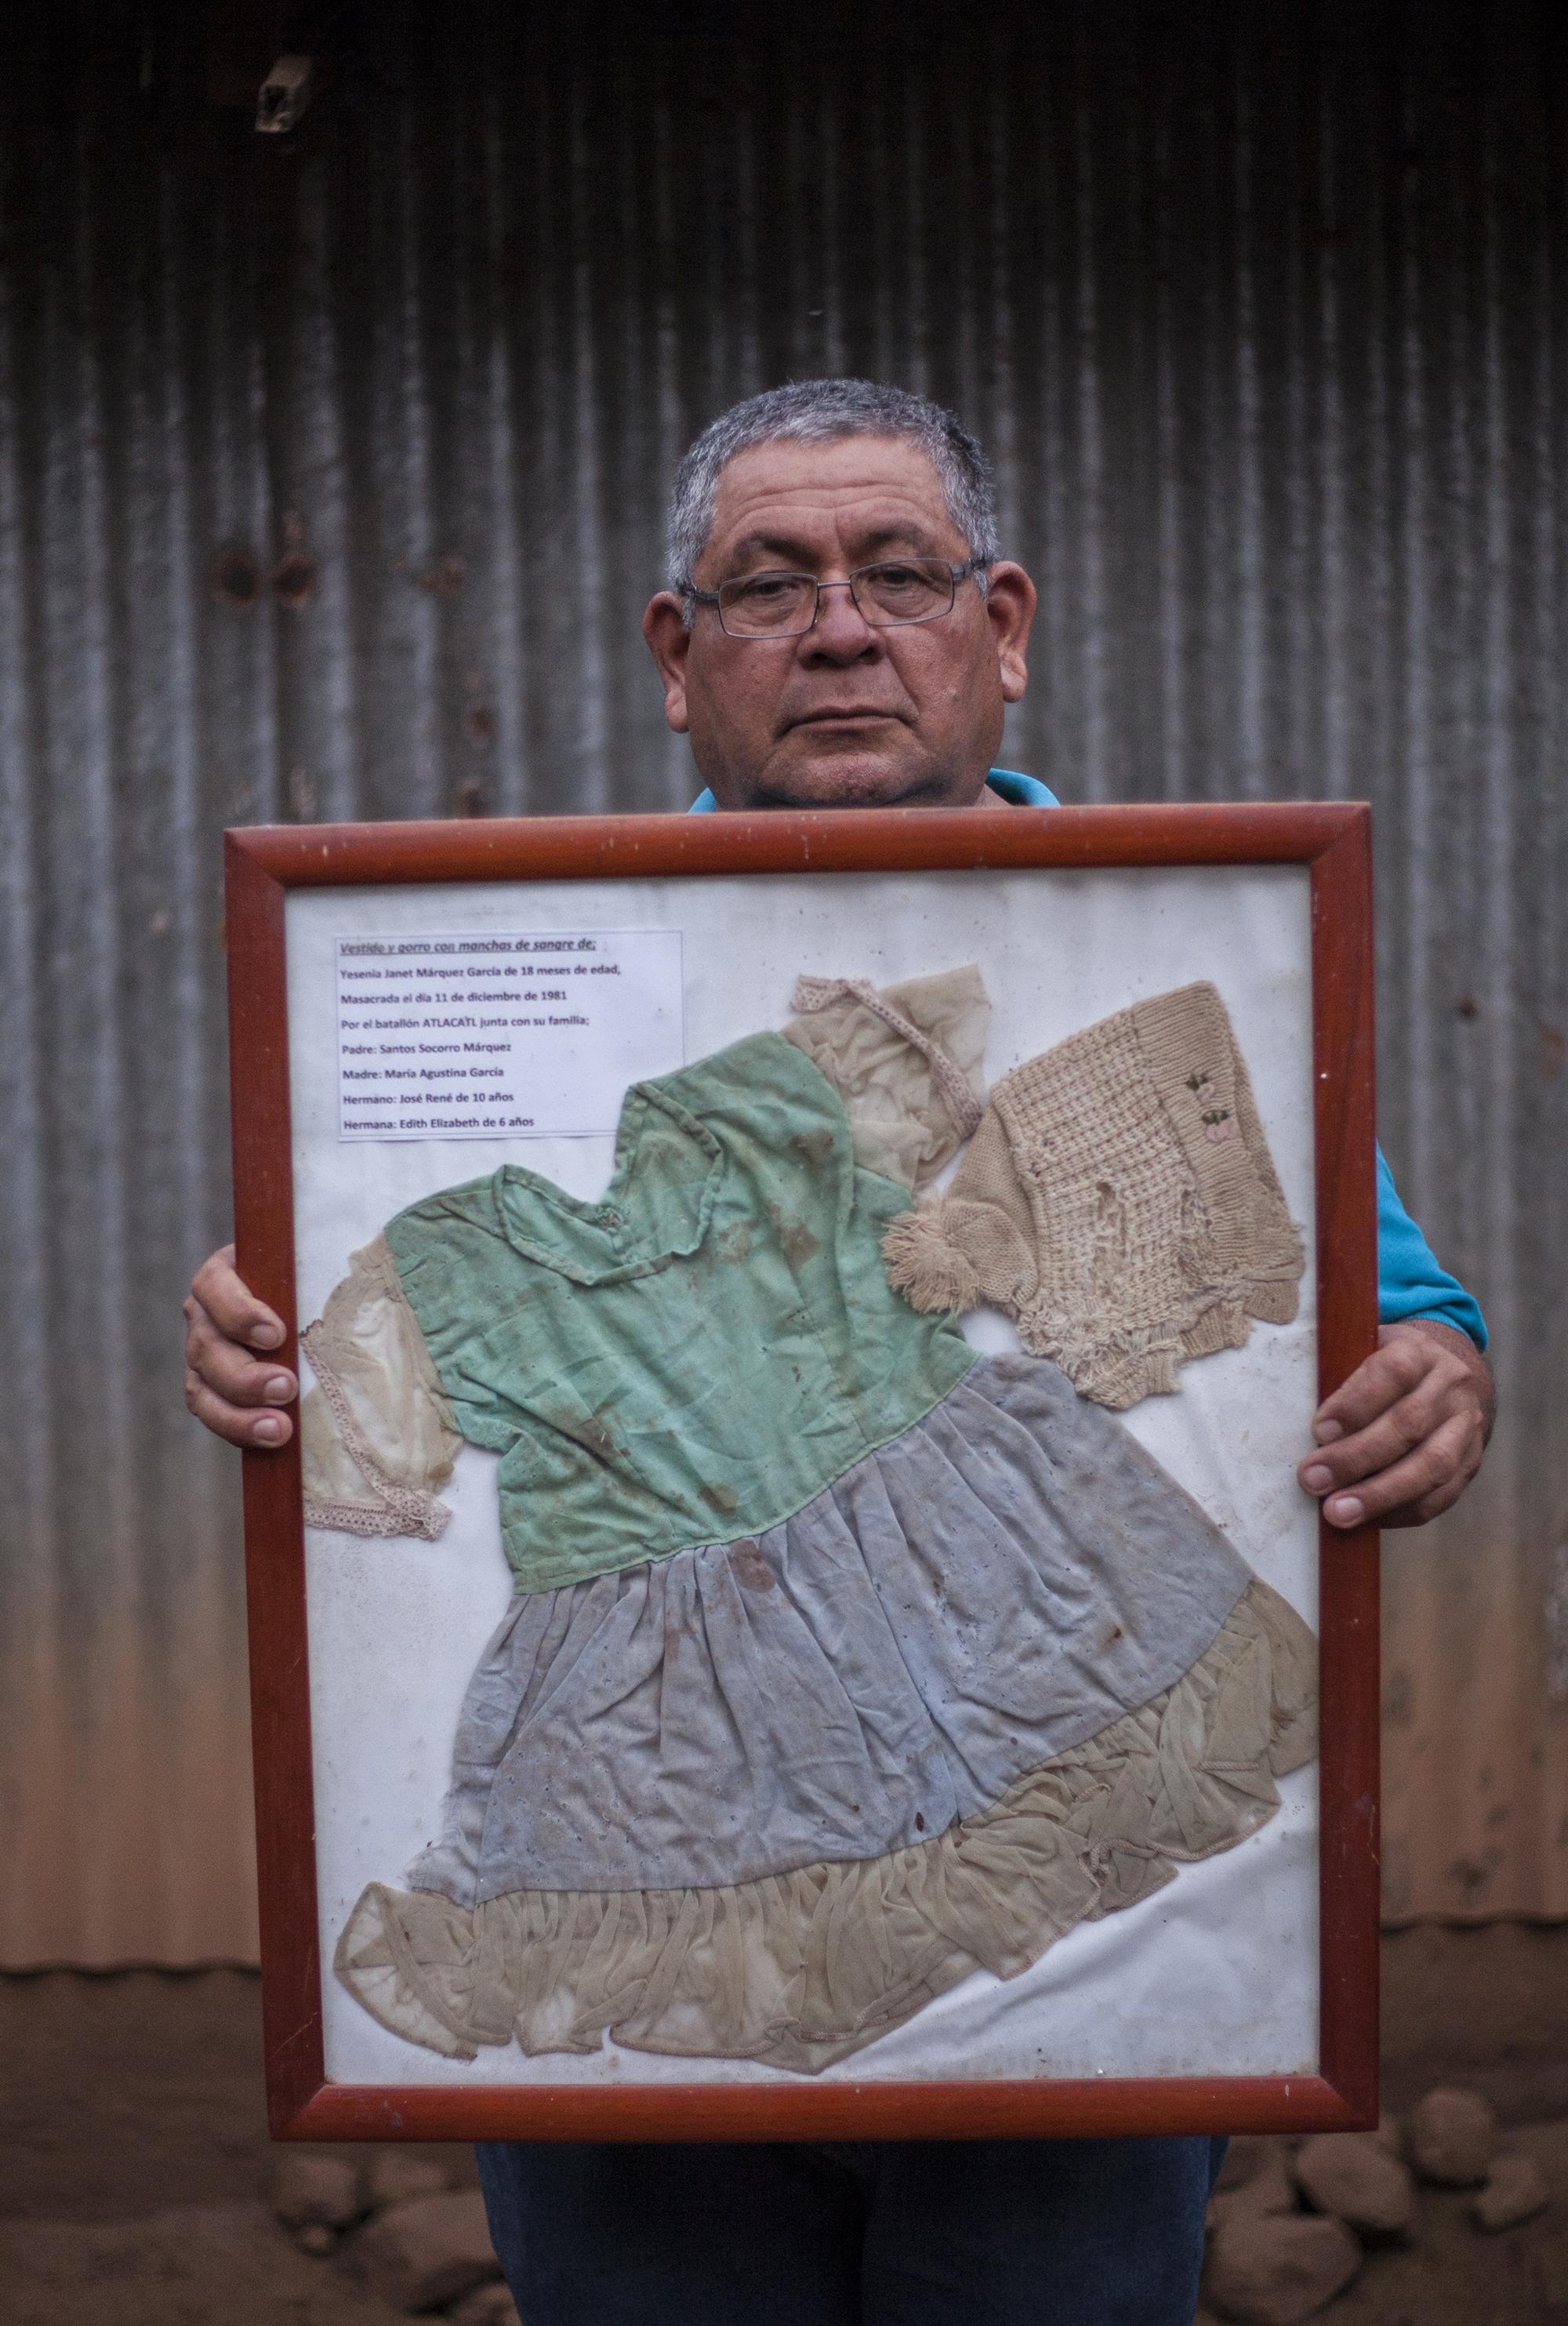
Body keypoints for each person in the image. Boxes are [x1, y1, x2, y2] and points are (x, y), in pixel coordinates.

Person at [184, 382, 1492, 2324]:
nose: (842, 628)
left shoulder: (1145, 942)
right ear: (675, 652)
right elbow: (355, 1449)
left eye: (900, 574)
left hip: (1037, 1715)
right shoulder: (474, 984)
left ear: (1003, 626)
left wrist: (1439, 1375)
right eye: (767, 584)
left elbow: (1368, 1292)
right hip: (651, 1795)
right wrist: (271, 1321)